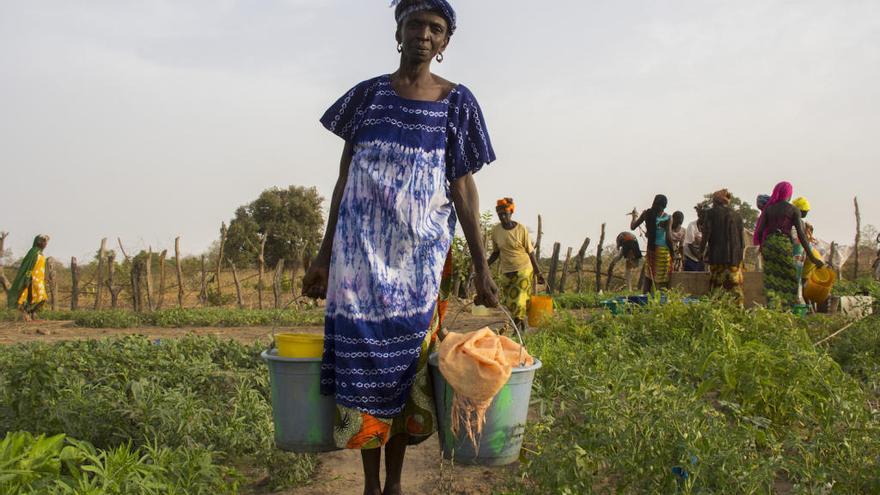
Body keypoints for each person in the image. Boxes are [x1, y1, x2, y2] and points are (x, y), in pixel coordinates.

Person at [301, 2, 498, 494]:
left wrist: (481, 265)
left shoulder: (457, 103)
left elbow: (464, 190)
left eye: (437, 29)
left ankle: (395, 484)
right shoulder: (367, 97)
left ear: (446, 42)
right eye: (416, 24)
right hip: (356, 263)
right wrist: (323, 257)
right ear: (399, 31)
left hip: (419, 265)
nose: (425, 35)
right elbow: (345, 179)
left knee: (405, 373)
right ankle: (371, 485)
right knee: (361, 371)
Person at [754, 182, 823, 307]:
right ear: (789, 194)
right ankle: (786, 309)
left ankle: (772, 308)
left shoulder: (768, 209)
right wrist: (813, 258)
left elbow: (758, 231)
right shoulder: (793, 210)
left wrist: (763, 247)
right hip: (783, 244)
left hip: (769, 245)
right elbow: (802, 235)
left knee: (771, 277)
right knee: (790, 278)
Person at [487, 198, 544, 330]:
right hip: (507, 271)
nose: (502, 217)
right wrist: (484, 265)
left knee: (518, 300)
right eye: (499, 214)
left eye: (505, 214)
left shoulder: (521, 229)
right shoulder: (496, 231)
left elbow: (530, 252)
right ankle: (521, 323)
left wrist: (538, 272)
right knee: (509, 302)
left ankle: (516, 329)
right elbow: (496, 252)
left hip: (523, 269)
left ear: (511, 213)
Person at [701, 190, 746, 305]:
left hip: (717, 258)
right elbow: (742, 241)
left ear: (716, 200)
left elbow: (706, 234)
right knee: (736, 291)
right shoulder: (737, 216)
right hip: (735, 261)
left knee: (717, 291)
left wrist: (701, 251)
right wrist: (741, 259)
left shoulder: (710, 213)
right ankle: (739, 316)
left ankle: (718, 317)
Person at [631, 194, 673, 292]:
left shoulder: (646, 214)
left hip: (651, 250)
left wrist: (634, 216)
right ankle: (660, 303)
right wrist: (673, 252)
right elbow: (668, 238)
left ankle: (643, 301)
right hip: (663, 251)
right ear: (665, 205)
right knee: (662, 280)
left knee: (648, 277)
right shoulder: (668, 217)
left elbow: (633, 226)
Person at [7, 235, 50, 322]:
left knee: (42, 298)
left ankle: (33, 314)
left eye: (46, 242)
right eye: (44, 242)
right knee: (31, 297)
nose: (45, 244)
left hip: (39, 281)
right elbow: (28, 267)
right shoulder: (33, 253)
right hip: (32, 280)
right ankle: (27, 314)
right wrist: (27, 278)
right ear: (39, 242)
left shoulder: (40, 253)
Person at [683, 204, 707, 272]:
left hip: (701, 259)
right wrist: (699, 257)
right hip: (690, 258)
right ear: (700, 216)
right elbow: (690, 245)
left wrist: (704, 257)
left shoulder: (708, 227)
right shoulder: (692, 226)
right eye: (704, 216)